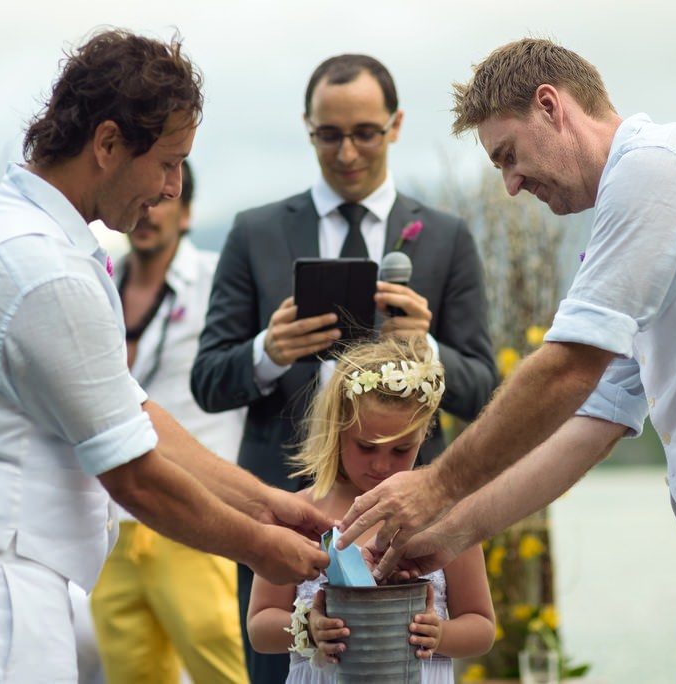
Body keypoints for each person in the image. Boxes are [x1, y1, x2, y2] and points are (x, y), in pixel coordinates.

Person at [339, 38, 676, 682]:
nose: (511, 185)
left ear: (551, 106)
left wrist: (435, 486)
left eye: (508, 156)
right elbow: (585, 428)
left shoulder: (658, 167)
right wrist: (443, 539)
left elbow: (565, 369)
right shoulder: (630, 228)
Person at [0, 30, 330, 683]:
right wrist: (264, 549)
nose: (174, 189)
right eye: (169, 162)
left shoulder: (4, 223)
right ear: (109, 143)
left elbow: (132, 409)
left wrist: (266, 502)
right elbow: (133, 475)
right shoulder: (44, 271)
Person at [191, 53, 498, 682]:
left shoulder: (445, 236)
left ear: (396, 125)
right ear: (308, 128)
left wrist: (428, 346)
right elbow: (207, 379)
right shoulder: (255, 232)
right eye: (329, 135)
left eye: (364, 132)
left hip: (408, 505)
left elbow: (484, 388)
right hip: (286, 501)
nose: (347, 151)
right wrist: (266, 351)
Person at [247, 337, 495, 683]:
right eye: (366, 447)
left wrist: (440, 635)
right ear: (338, 430)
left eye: (401, 450)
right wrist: (307, 628)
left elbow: (482, 626)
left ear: (425, 434)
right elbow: (260, 626)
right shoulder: (299, 514)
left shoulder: (446, 517)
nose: (382, 465)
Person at [89, 160, 248, 683]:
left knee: (225, 669)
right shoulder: (97, 280)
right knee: (132, 674)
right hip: (114, 517)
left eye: (166, 201)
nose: (152, 212)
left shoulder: (217, 281)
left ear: (186, 213)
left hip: (195, 515)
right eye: (145, 199)